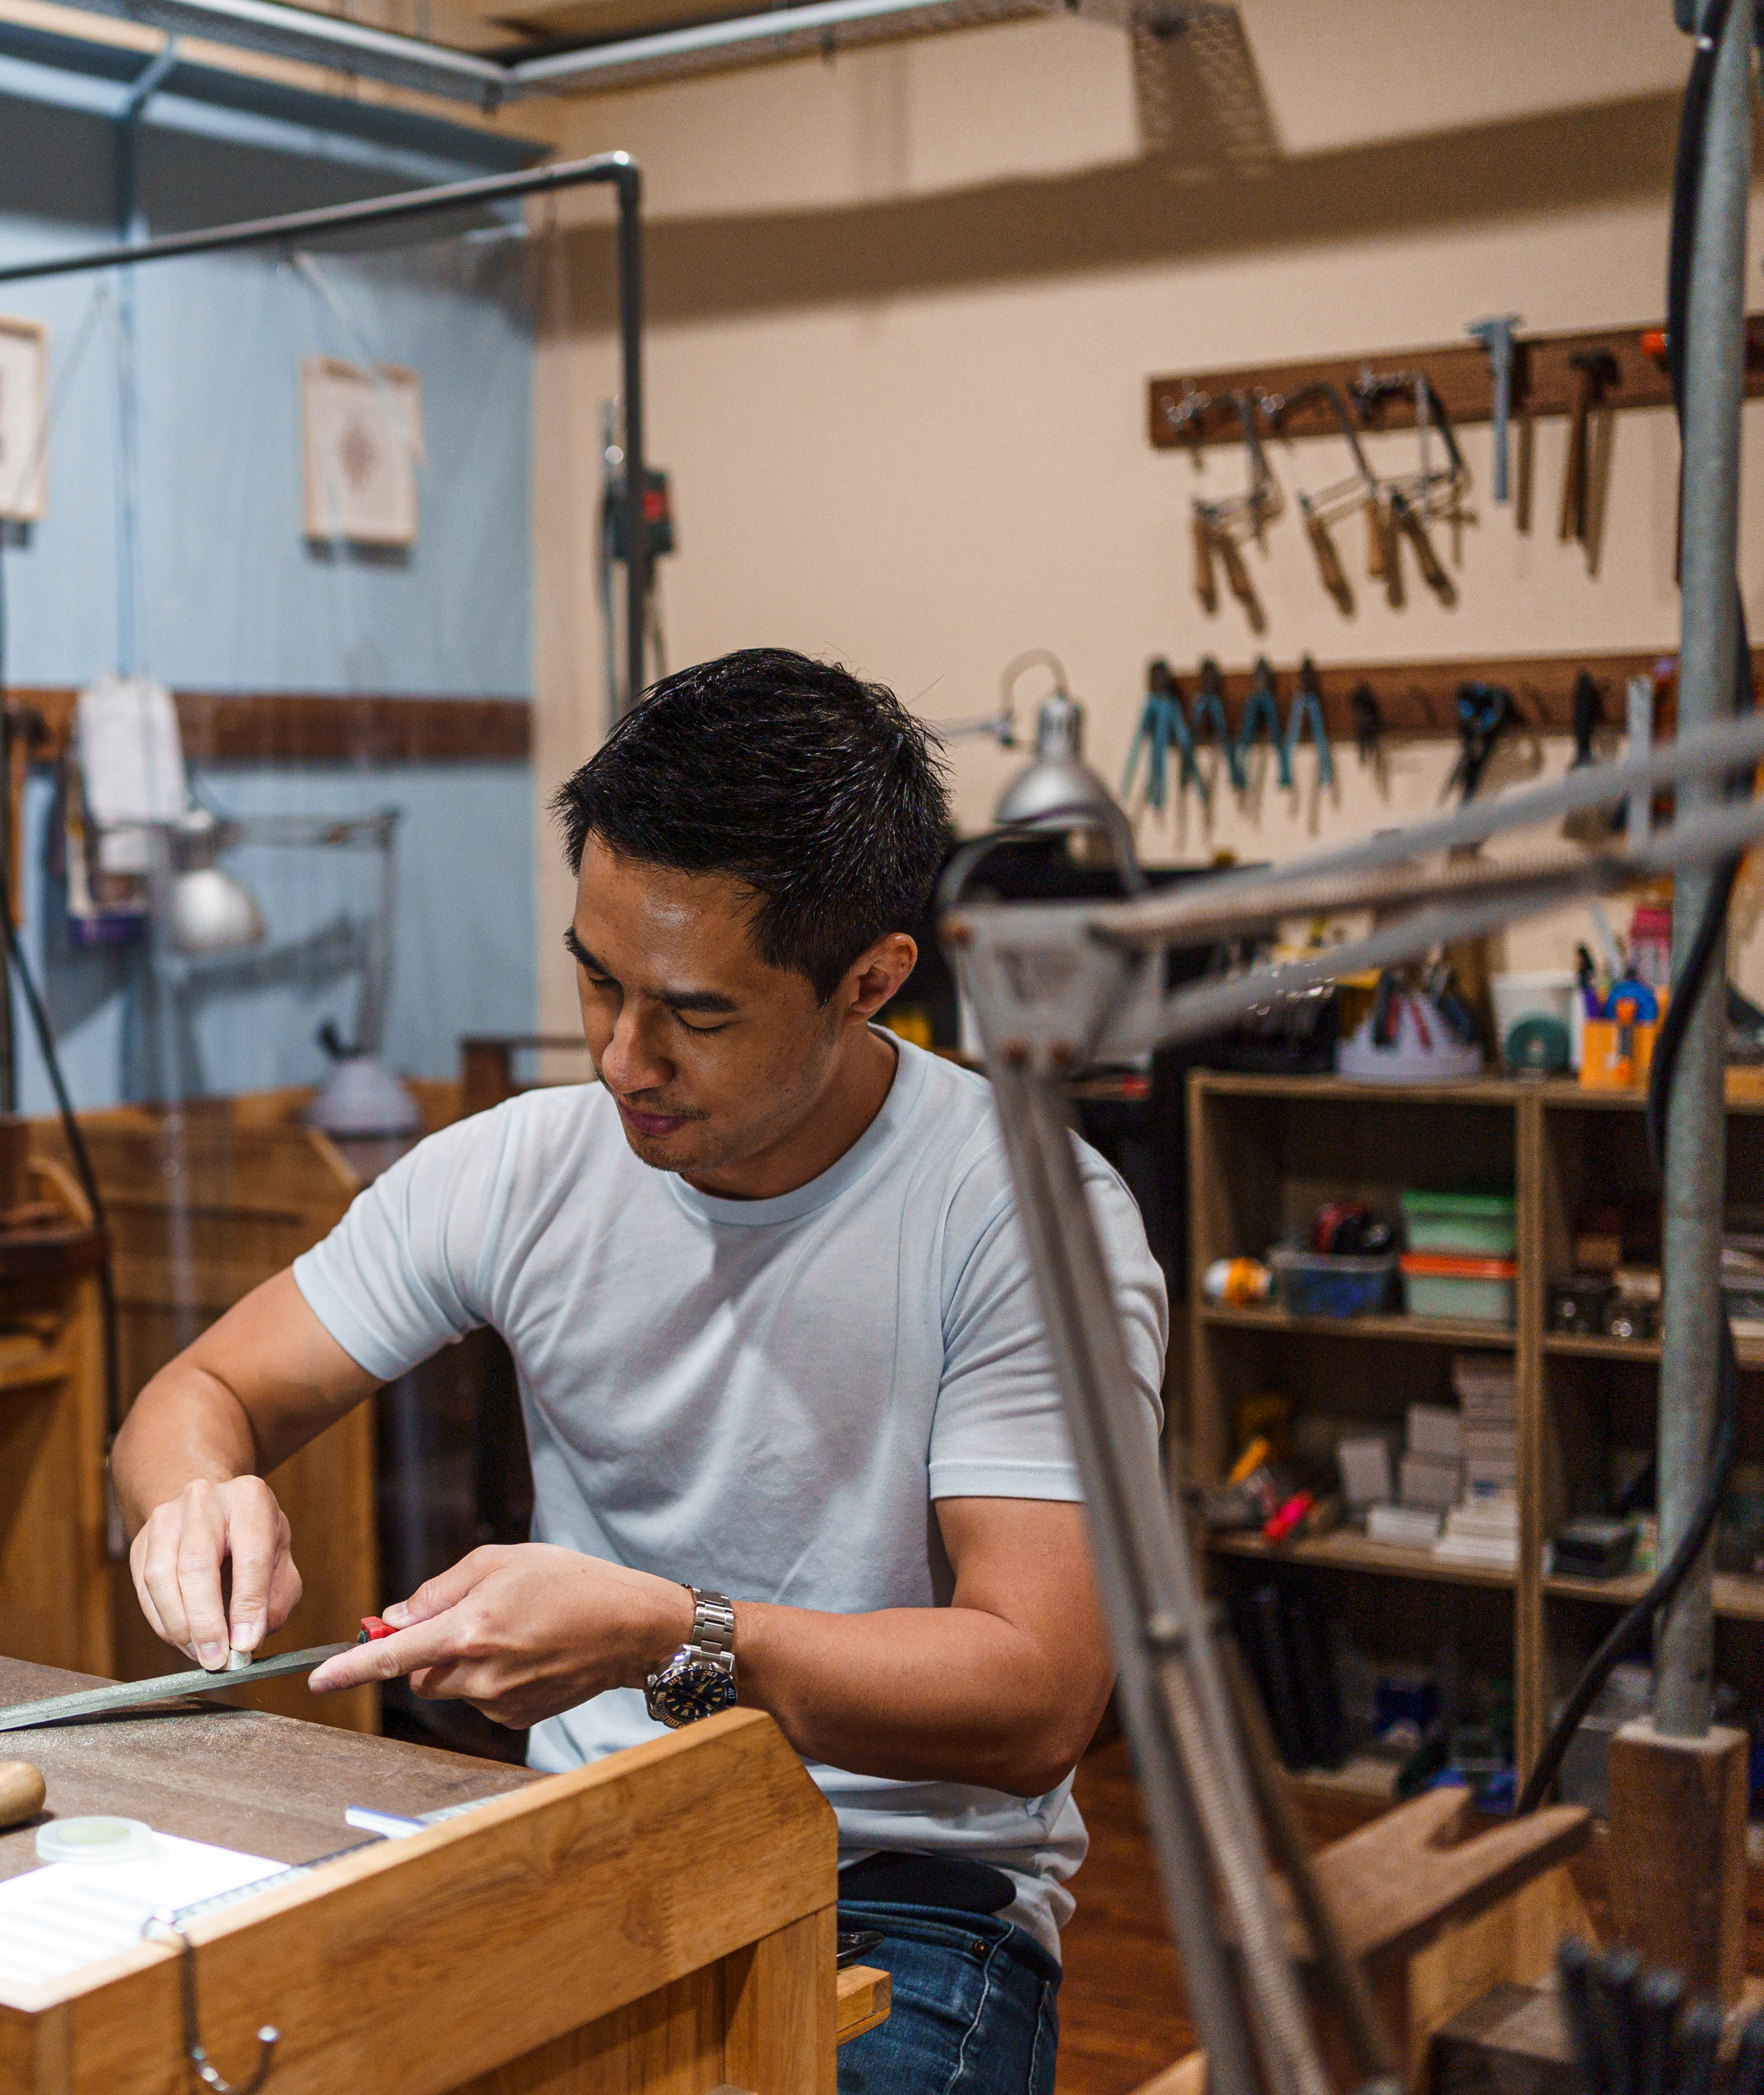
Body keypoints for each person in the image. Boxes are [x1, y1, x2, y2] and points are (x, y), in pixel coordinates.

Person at [109, 648, 1166, 2094]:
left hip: (906, 1899)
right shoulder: (525, 1166)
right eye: (597, 977)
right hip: (579, 1847)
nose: (620, 1054)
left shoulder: (1021, 1214)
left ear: (871, 981)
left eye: (698, 1011)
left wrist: (670, 1634)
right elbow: (195, 1398)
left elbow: (1041, 1688)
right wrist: (192, 1500)